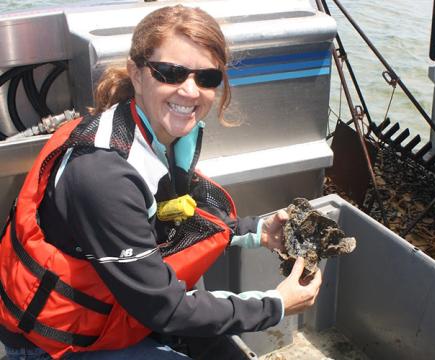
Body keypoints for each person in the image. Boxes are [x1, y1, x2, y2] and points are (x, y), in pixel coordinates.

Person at [0, 5, 322, 359]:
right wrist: (276, 305)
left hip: (121, 305)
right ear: (137, 74)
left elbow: (176, 217)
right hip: (55, 344)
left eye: (207, 78)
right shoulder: (102, 175)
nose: (189, 91)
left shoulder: (157, 134)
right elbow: (165, 309)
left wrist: (257, 231)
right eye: (170, 73)